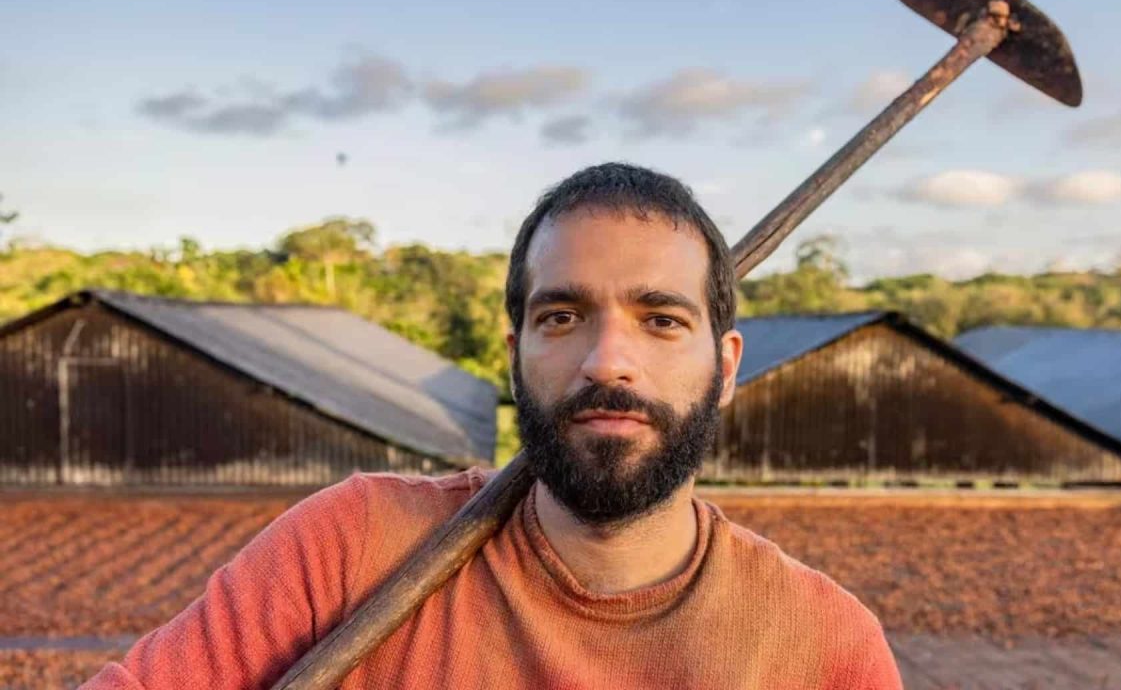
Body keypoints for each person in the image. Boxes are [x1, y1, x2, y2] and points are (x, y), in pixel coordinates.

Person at [84, 163, 902, 689]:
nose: (607, 362)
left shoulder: (823, 648)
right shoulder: (351, 548)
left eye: (660, 320)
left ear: (725, 366)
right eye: (562, 317)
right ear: (515, 356)